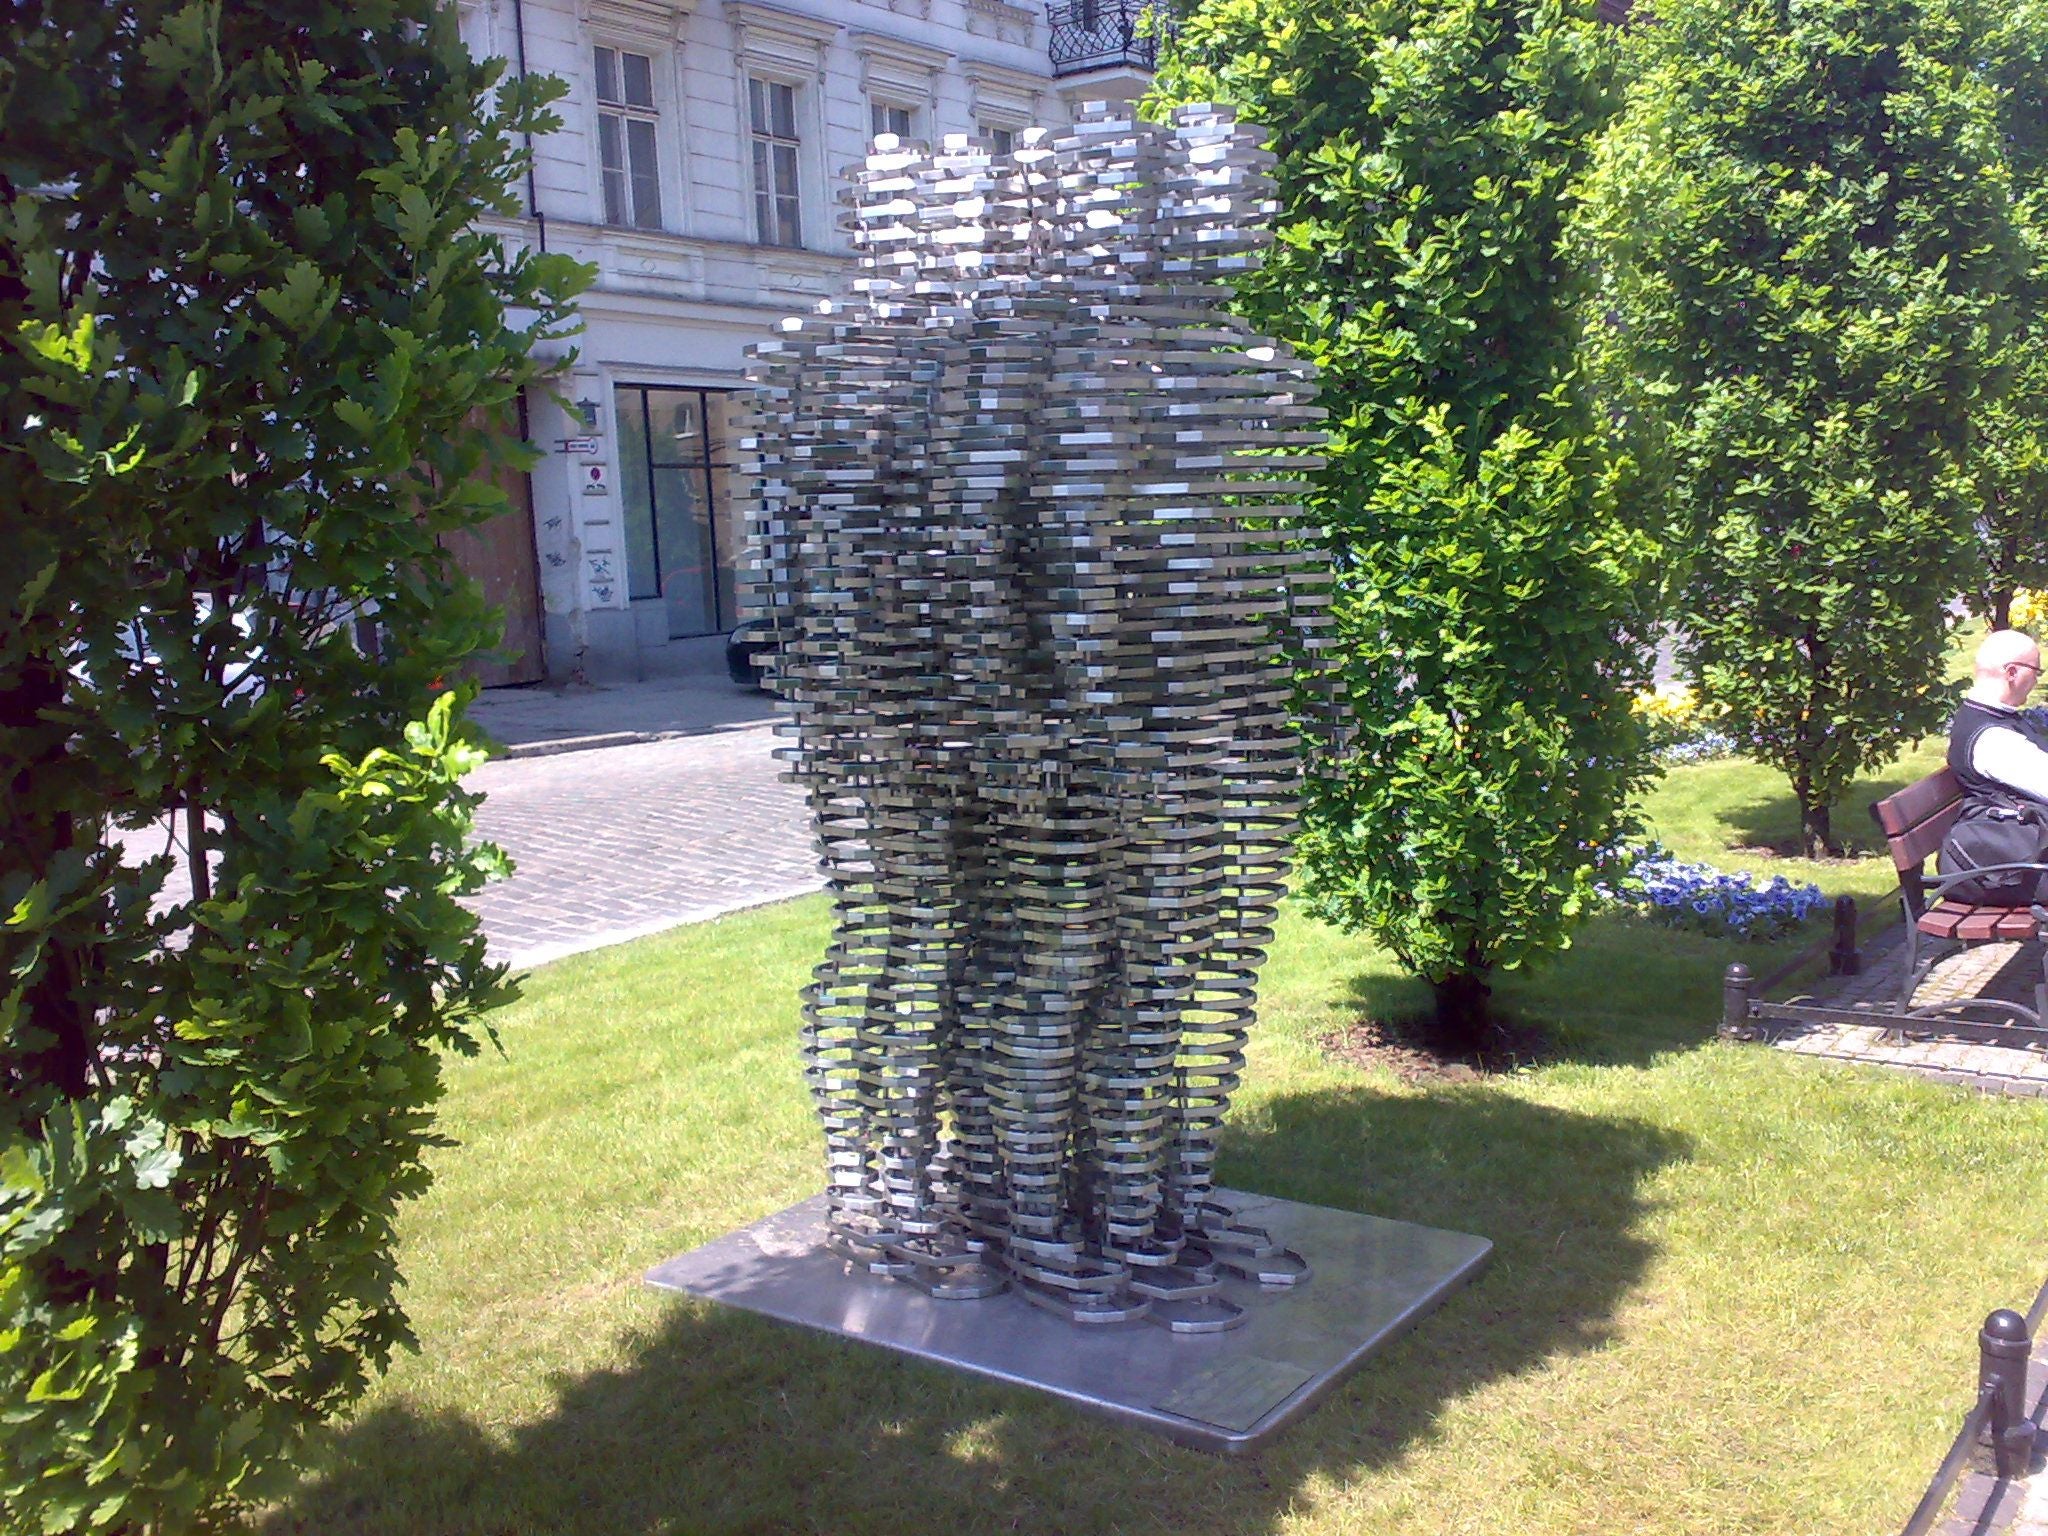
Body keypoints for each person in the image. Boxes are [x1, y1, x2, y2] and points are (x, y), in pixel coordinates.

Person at [1940, 629, 2048, 904]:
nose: (2037, 680)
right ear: (2012, 672)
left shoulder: (1993, 718)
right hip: (2022, 868)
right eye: (2036, 671)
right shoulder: (1993, 739)